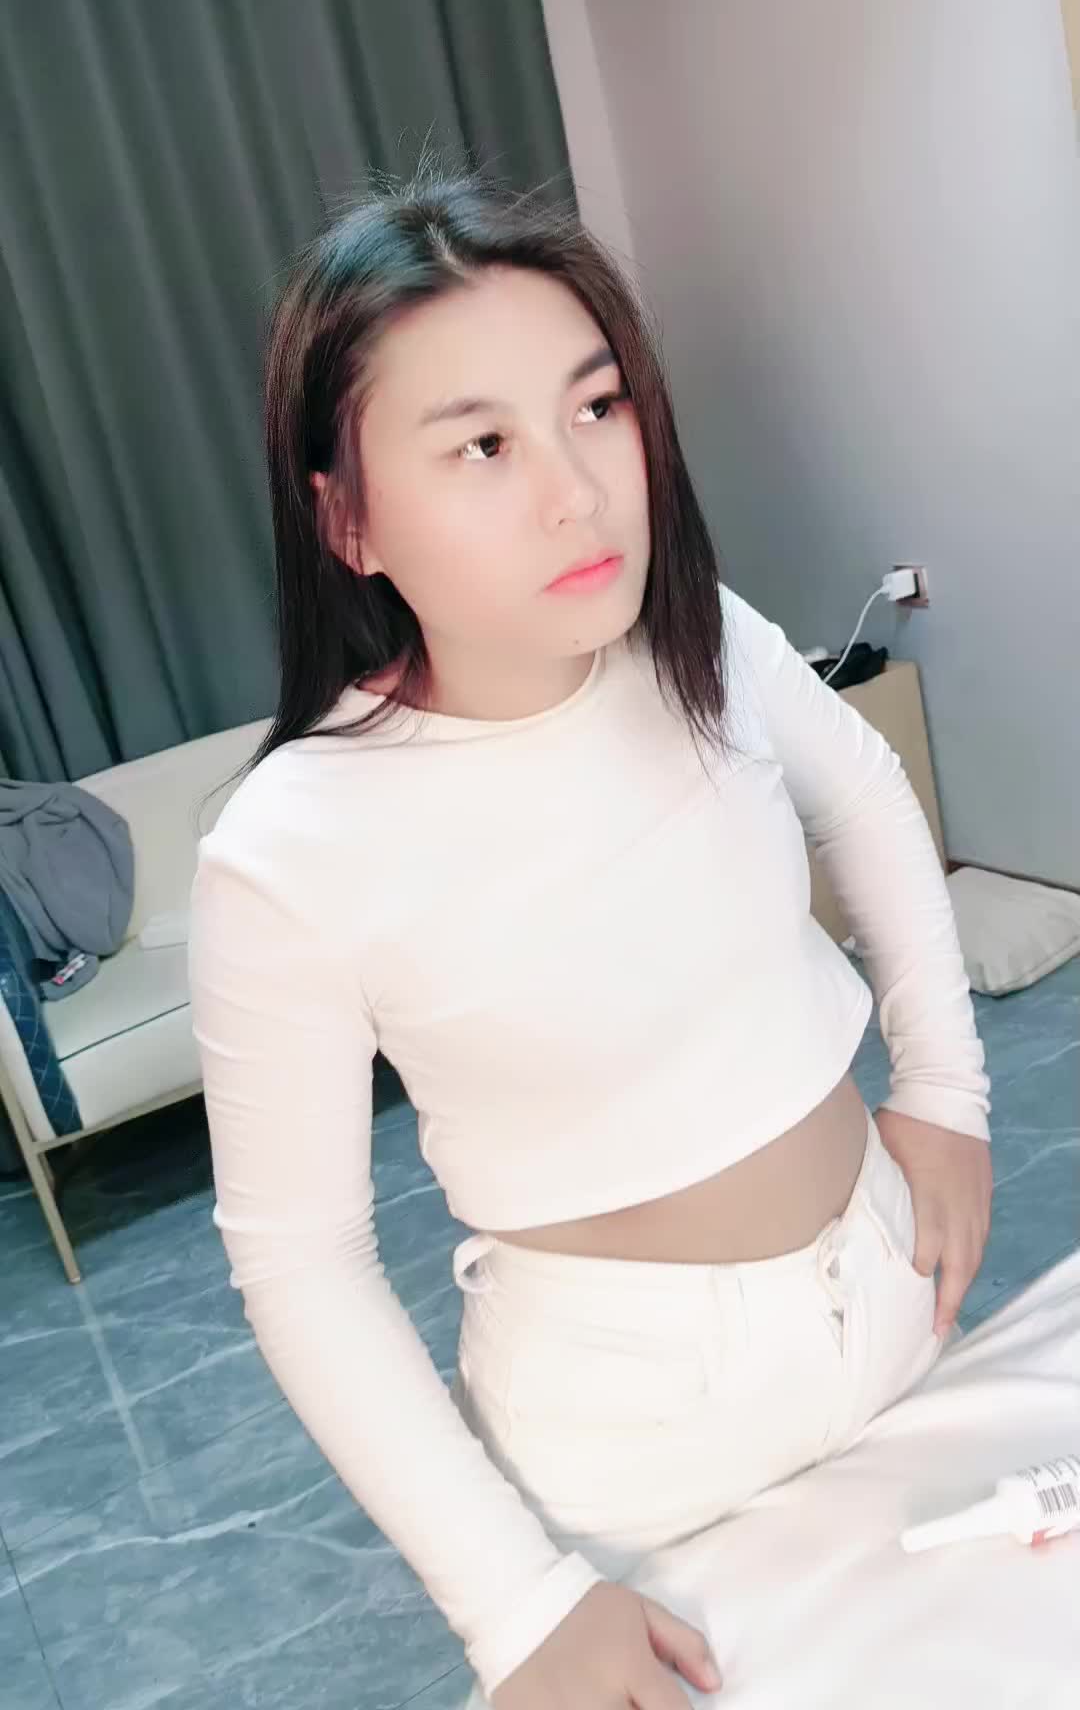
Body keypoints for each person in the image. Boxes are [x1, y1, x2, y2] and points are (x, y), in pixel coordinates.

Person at [188, 165, 993, 1709]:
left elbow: (869, 792)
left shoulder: (703, 636)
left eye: (597, 406)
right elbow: (300, 1263)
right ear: (346, 517)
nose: (577, 489)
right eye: (482, 445)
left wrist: (947, 1093)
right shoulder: (291, 853)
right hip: (638, 1438)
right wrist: (517, 1605)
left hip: (890, 1278)